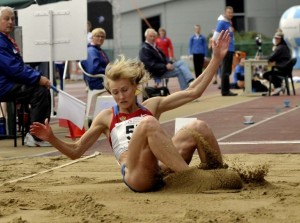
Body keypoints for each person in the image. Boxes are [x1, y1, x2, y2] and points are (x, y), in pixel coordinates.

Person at [30, 30, 230, 193]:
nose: (120, 97)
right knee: (149, 123)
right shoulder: (106, 117)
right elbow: (76, 151)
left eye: (124, 90)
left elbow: (192, 92)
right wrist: (50, 138)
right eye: (115, 92)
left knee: (197, 126)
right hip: (136, 175)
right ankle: (194, 179)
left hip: (159, 169)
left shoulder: (151, 105)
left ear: (135, 87)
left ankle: (220, 175)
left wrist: (216, 59)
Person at [0, 6, 51, 147]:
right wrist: (38, 78)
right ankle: (35, 136)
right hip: (4, 85)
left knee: (40, 89)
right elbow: (13, 69)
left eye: (12, 18)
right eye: (6, 19)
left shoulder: (5, 40)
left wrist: (38, 76)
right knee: (39, 91)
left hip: (8, 83)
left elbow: (18, 66)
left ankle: (37, 134)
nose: (10, 22)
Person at [213, 6, 237, 96]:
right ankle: (225, 91)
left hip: (230, 48)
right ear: (225, 12)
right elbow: (215, 35)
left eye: (232, 12)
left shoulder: (229, 22)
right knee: (225, 71)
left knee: (228, 71)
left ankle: (226, 89)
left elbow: (231, 36)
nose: (230, 14)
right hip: (225, 49)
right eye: (229, 12)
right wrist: (216, 48)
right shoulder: (222, 22)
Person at [263, 31, 291, 96]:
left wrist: (261, 57)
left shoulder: (280, 48)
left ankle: (278, 87)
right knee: (270, 72)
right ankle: (280, 85)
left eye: (278, 38)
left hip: (282, 69)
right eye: (275, 38)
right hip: (285, 69)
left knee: (265, 75)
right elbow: (273, 57)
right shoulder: (284, 47)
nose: (276, 40)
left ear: (281, 39)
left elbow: (271, 58)